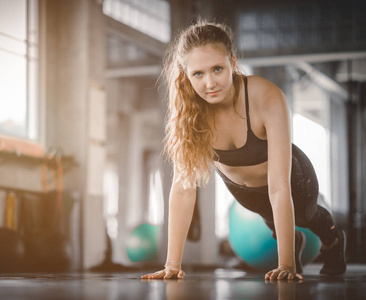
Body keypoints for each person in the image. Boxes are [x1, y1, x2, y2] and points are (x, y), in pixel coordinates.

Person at [141, 20, 347, 281]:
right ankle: (291, 242)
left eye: (217, 69)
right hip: (245, 192)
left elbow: (280, 187)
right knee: (269, 217)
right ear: (186, 74)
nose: (209, 83)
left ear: (232, 62)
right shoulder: (189, 112)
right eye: (198, 74)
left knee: (307, 216)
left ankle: (333, 241)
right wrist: (172, 265)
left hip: (293, 179)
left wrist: (286, 266)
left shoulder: (265, 96)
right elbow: (183, 188)